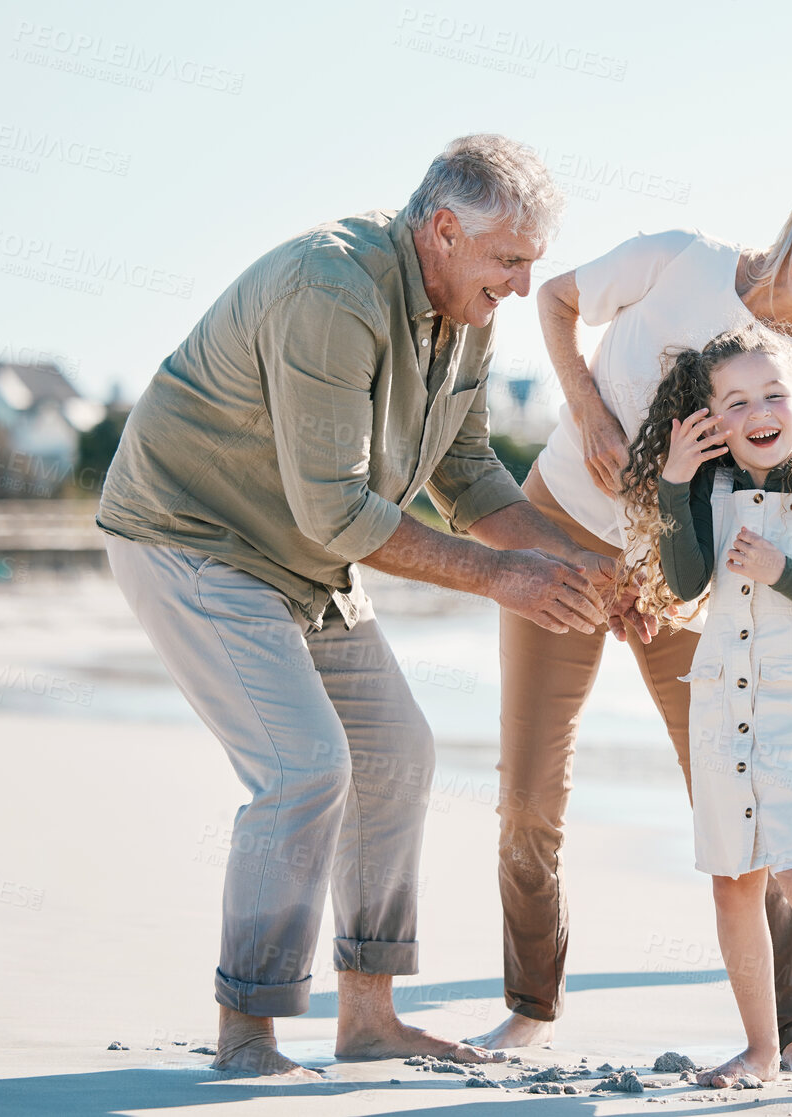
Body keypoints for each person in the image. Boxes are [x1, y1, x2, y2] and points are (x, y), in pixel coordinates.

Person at [96, 135, 641, 1078]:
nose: (520, 286)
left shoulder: (465, 309)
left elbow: (467, 476)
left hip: (305, 558)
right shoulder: (332, 288)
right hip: (194, 535)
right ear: (441, 230)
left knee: (396, 755)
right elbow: (338, 508)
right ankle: (248, 1032)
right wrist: (500, 578)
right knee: (304, 767)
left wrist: (595, 566)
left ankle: (369, 1017)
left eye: (529, 264)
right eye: (508, 260)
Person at [477, 160, 792, 1063]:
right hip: (559, 525)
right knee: (530, 791)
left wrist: (656, 585)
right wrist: (586, 408)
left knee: (743, 796)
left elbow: (747, 487)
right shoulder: (676, 258)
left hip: (684, 588)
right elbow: (558, 302)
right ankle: (530, 1005)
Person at [621, 328, 792, 1089]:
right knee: (734, 879)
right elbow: (682, 585)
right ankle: (760, 1047)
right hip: (721, 707)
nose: (760, 410)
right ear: (710, 418)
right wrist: (675, 481)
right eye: (736, 401)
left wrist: (782, 571)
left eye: (774, 394)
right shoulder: (704, 488)